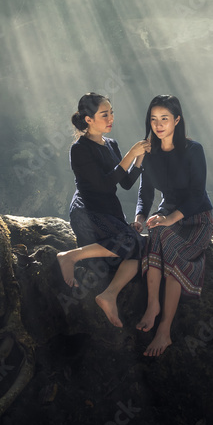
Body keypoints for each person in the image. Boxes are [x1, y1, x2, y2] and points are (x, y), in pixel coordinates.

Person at [57, 93, 151, 328]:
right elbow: (103, 185)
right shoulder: (79, 149)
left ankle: (109, 295)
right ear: (88, 119)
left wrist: (139, 159)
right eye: (104, 114)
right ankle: (70, 256)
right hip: (87, 212)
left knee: (140, 247)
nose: (111, 118)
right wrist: (130, 154)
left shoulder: (111, 144)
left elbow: (126, 183)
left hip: (109, 212)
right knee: (131, 242)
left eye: (112, 113)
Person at [132, 94, 213, 356]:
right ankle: (153, 305)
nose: (158, 124)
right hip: (167, 213)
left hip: (196, 218)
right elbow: (145, 191)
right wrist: (140, 217)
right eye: (153, 119)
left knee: (165, 238)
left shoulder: (193, 150)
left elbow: (198, 195)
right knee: (155, 234)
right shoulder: (149, 153)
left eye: (164, 119)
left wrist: (168, 219)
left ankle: (165, 329)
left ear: (177, 120)